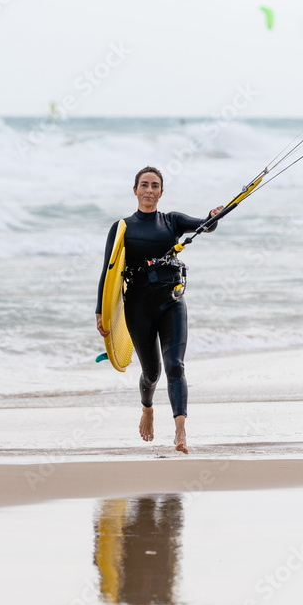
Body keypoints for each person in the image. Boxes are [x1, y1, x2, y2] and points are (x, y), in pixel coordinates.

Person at [95, 166, 224, 454]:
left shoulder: (172, 221)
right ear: (135, 190)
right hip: (138, 308)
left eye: (155, 186)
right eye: (144, 185)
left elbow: (205, 224)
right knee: (151, 373)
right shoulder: (121, 228)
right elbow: (108, 271)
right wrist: (101, 311)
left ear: (161, 192)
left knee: (175, 365)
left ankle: (180, 429)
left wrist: (215, 215)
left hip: (172, 302)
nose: (149, 190)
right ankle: (148, 408)